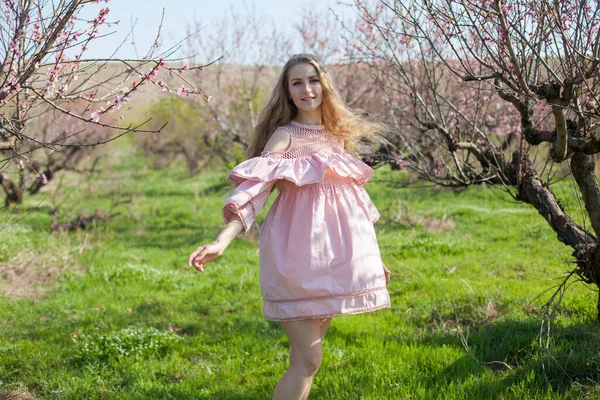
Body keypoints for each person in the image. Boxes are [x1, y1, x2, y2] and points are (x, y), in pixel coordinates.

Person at [188, 53, 391, 400]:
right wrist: (222, 241)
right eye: (297, 82)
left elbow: (352, 205)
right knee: (309, 358)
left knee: (306, 360)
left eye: (313, 80)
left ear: (324, 85)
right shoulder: (284, 138)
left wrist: (370, 259)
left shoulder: (334, 137)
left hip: (334, 260)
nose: (307, 89)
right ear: (287, 91)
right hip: (295, 257)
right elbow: (254, 192)